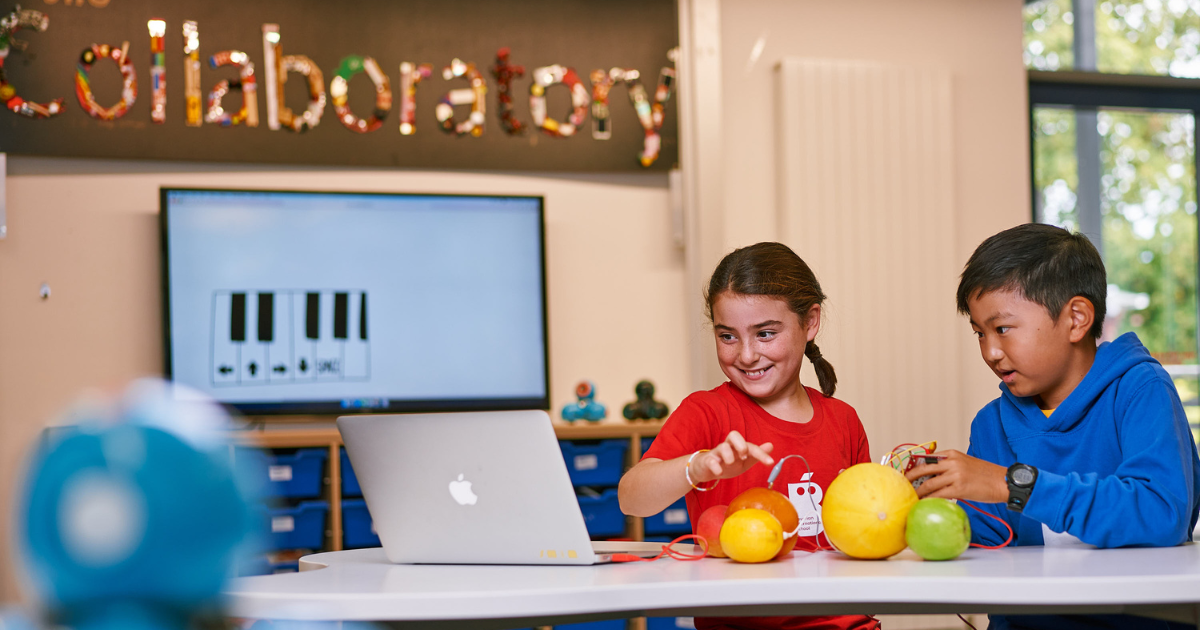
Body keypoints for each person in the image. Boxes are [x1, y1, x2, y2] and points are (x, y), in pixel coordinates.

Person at [906, 223, 1200, 630]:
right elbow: (985, 556)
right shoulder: (991, 424)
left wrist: (1014, 485)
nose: (990, 352)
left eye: (1002, 329)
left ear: (1076, 319)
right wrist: (921, 511)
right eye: (979, 333)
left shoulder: (1141, 390)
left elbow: (1160, 513)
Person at [618, 242, 876, 630]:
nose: (747, 355)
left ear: (810, 322)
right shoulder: (705, 412)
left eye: (765, 333)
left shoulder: (844, 421)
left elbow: (865, 532)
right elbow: (631, 498)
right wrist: (695, 467)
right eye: (728, 336)